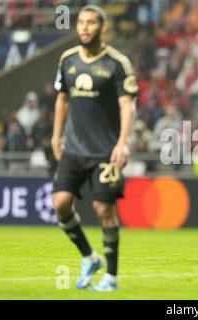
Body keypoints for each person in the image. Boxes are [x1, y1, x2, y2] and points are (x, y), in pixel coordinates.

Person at [52, 5, 137, 292]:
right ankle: (90, 257)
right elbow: (62, 99)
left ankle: (111, 278)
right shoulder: (67, 60)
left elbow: (128, 106)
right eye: (81, 23)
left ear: (103, 27)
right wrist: (56, 137)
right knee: (60, 204)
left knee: (104, 209)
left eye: (90, 23)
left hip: (106, 150)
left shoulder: (117, 63)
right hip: (74, 148)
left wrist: (122, 143)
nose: (85, 27)